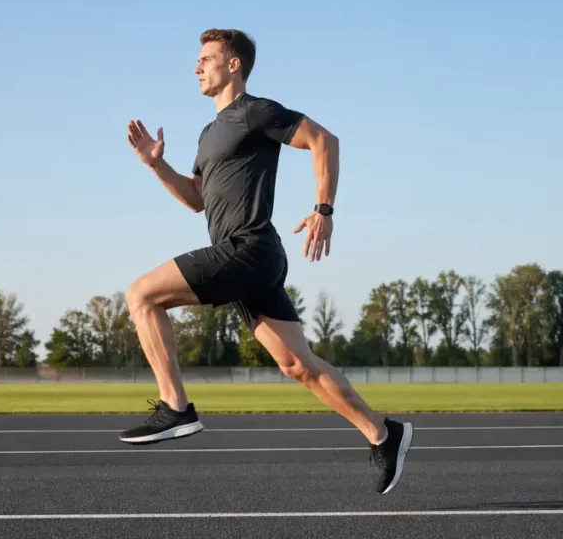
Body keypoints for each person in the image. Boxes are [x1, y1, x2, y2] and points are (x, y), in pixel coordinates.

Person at [120, 28, 414, 494]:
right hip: (251, 260)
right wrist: (157, 165)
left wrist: (323, 209)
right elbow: (197, 200)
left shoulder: (255, 111)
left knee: (141, 295)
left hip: (247, 247)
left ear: (232, 64)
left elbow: (324, 141)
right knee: (298, 366)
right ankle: (382, 433)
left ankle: (175, 407)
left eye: (206, 59)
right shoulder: (208, 133)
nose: (196, 67)